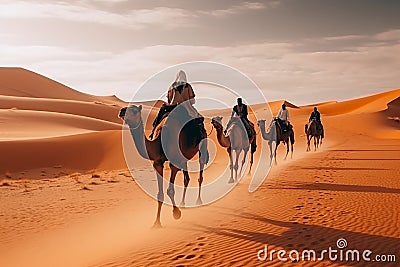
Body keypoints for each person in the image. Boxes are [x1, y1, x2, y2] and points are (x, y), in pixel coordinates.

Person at [150, 70, 200, 139]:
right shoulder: (187, 86)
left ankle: (153, 131)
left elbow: (169, 100)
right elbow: (192, 101)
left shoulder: (171, 87)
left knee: (161, 114)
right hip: (185, 108)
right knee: (197, 120)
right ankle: (196, 139)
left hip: (172, 107)